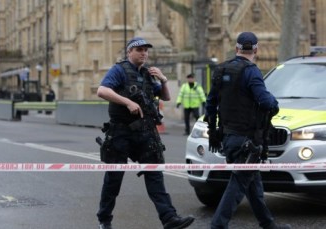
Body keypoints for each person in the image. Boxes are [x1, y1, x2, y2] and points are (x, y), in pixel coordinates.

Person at [96, 37, 194, 229]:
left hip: (145, 132)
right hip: (121, 132)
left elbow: (165, 96)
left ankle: (169, 218)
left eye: (146, 50)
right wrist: (128, 102)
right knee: (113, 180)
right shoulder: (120, 70)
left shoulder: (148, 73)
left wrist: (163, 80)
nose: (144, 53)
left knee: (155, 174)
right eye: (139, 49)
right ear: (129, 52)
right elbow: (102, 91)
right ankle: (104, 219)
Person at [204, 31, 291, 229]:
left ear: (236, 49)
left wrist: (213, 131)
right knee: (239, 183)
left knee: (253, 183)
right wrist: (274, 103)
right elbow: (266, 101)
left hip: (228, 137)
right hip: (247, 140)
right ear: (256, 50)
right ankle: (217, 225)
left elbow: (210, 105)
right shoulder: (251, 71)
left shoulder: (221, 69)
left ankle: (268, 224)